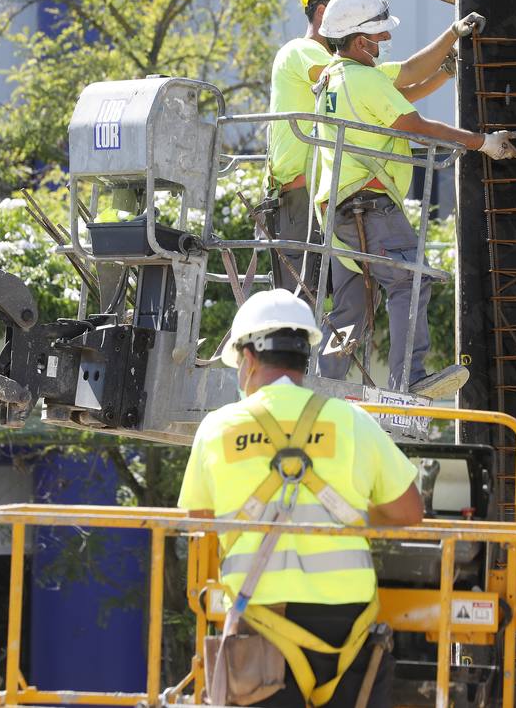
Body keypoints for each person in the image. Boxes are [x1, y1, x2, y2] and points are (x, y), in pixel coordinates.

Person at [179, 289, 424, 707]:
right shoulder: (353, 421)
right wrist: (353, 515)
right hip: (347, 625)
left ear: (250, 360)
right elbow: (409, 512)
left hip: (260, 620)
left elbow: (198, 519)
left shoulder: (218, 428)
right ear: (303, 359)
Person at [313, 0, 516, 398]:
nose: (384, 42)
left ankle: (321, 388)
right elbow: (414, 124)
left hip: (338, 213)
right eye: (378, 36)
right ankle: (407, 381)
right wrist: (482, 142)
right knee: (410, 281)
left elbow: (408, 73)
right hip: (369, 207)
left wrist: (452, 33)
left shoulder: (336, 76)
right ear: (359, 41)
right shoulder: (363, 80)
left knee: (352, 307)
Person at [267, 0, 464, 295]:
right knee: (304, 294)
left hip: (332, 186)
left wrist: (441, 73)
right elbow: (380, 90)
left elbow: (386, 96)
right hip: (305, 190)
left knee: (351, 298)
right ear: (323, 13)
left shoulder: (351, 71)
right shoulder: (303, 53)